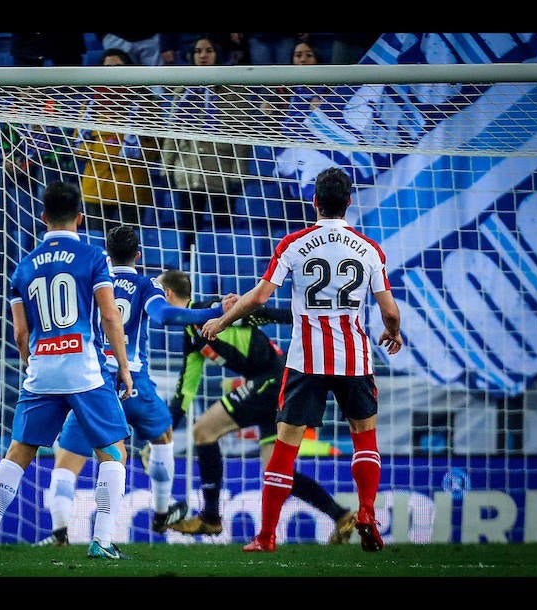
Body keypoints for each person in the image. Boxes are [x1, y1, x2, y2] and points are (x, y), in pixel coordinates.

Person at [200, 166, 403, 553]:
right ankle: (367, 514)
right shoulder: (370, 249)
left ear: (314, 202)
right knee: (365, 440)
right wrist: (392, 332)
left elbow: (260, 298)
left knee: (284, 448)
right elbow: (390, 312)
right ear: (348, 203)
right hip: (354, 360)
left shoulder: (294, 243)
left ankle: (267, 536)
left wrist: (224, 320)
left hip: (305, 361)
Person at [0, 181, 134, 561]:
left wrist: (32, 364)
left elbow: (20, 332)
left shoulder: (23, 267)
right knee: (113, 452)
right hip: (85, 371)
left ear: (42, 218)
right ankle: (102, 540)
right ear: (80, 216)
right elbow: (109, 315)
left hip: (41, 369)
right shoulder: (93, 256)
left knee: (17, 453)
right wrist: (123, 367)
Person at [34, 225, 223, 546]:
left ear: (107, 253)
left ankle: (59, 533)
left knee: (67, 460)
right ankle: (162, 512)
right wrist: (216, 311)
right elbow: (164, 315)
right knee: (162, 438)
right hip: (135, 382)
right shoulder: (145, 284)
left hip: (95, 384)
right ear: (138, 254)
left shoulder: (94, 280)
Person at [155, 270, 357, 544]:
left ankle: (211, 517)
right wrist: (160, 433)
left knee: (203, 431)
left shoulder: (215, 310)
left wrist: (308, 321)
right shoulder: (192, 336)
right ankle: (341, 515)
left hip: (273, 379)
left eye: (156, 292)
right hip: (273, 383)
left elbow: (265, 314)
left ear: (167, 294)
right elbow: (185, 392)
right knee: (274, 471)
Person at [159, 34, 253, 239]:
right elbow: (171, 132)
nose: (203, 56)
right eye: (198, 51)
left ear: (217, 54)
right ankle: (187, 266)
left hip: (221, 171)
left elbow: (240, 134)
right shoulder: (182, 90)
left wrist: (238, 173)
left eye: (208, 51)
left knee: (223, 231)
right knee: (187, 231)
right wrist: (166, 167)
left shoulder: (232, 92)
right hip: (186, 171)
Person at [73, 49, 160, 235]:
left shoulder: (147, 104)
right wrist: (105, 150)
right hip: (95, 188)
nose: (113, 71)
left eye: (118, 67)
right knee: (97, 243)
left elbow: (155, 148)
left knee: (129, 246)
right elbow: (78, 145)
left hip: (132, 189)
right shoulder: (89, 104)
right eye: (108, 67)